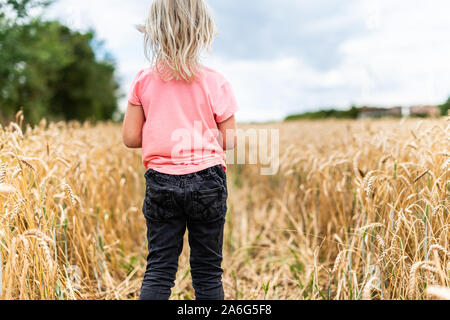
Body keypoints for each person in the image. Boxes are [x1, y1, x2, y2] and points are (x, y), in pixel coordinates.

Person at [122, 0, 239, 300]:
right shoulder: (215, 81)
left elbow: (131, 137)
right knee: (207, 272)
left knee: (159, 269)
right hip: (208, 180)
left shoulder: (143, 80)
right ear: (202, 29)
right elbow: (230, 140)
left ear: (155, 30)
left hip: (161, 180)